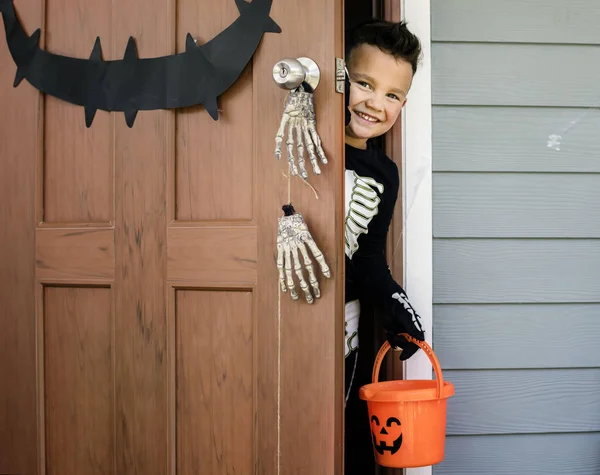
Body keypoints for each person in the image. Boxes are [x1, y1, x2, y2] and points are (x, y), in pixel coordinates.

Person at [343, 19, 425, 475]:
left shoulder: (385, 173)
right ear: (341, 78)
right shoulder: (305, 144)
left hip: (343, 323)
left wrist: (398, 304)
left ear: (404, 103)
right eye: (364, 84)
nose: (376, 103)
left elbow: (369, 257)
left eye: (392, 95)